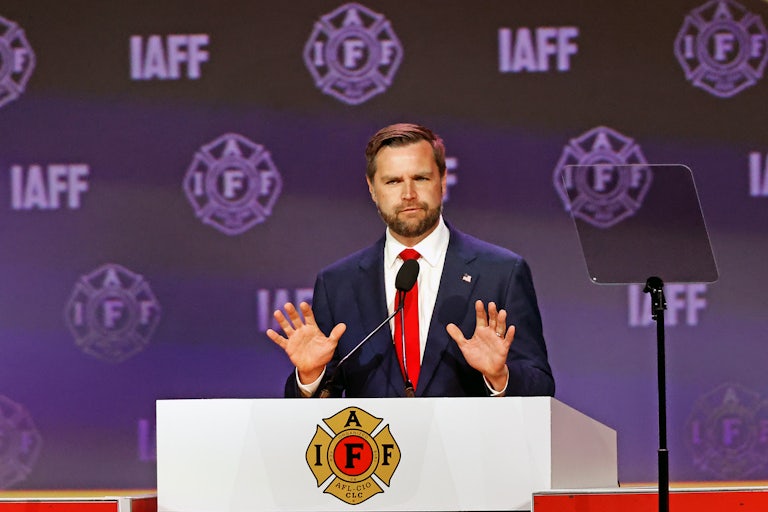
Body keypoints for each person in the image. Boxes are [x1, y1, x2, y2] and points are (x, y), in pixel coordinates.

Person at [267, 123, 554, 398]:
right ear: (372, 188)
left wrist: (499, 376)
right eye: (393, 181)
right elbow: (317, 411)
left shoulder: (500, 272)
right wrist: (311, 376)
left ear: (442, 180)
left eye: (421, 178)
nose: (408, 194)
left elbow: (540, 385)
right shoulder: (337, 283)